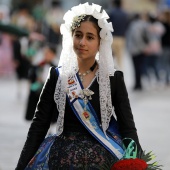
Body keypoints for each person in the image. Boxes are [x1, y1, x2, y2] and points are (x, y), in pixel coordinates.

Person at [15, 3, 142, 169]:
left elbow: (127, 126)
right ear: (71, 37)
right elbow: (39, 126)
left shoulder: (113, 78)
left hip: (103, 149)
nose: (82, 42)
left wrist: (137, 162)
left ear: (100, 42)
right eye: (78, 35)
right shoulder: (57, 76)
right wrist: (21, 165)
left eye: (90, 37)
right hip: (62, 152)